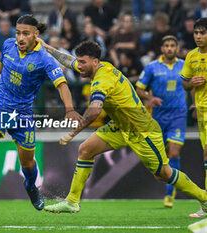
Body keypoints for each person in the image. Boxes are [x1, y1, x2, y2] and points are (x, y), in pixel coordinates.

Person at [37, 39, 207, 214]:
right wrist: (48, 47)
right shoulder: (101, 67)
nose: (78, 66)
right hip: (121, 126)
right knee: (86, 150)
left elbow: (94, 111)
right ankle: (72, 201)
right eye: (78, 61)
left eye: (82, 62)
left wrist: (73, 132)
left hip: (142, 130)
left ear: (95, 62)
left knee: (163, 173)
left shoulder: (102, 80)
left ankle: (204, 198)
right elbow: (68, 60)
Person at [0, 15, 82, 210]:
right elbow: (0, 65)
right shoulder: (9, 45)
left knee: (27, 163)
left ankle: (30, 186)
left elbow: (62, 85)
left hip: (22, 114)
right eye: (18, 33)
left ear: (36, 34)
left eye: (25, 33)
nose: (20, 38)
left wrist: (69, 109)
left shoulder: (44, 59)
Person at [136, 35, 186, 208]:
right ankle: (170, 183)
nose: (170, 48)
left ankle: (169, 191)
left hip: (178, 114)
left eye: (173, 45)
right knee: (161, 159)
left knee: (174, 153)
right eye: (167, 45)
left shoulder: (185, 66)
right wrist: (150, 98)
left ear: (177, 48)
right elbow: (138, 89)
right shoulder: (151, 68)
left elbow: (192, 85)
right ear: (162, 49)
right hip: (158, 117)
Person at [181, 17, 207, 218]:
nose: (198, 36)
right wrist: (192, 84)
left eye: (202, 33)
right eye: (196, 33)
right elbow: (185, 83)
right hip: (201, 111)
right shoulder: (191, 56)